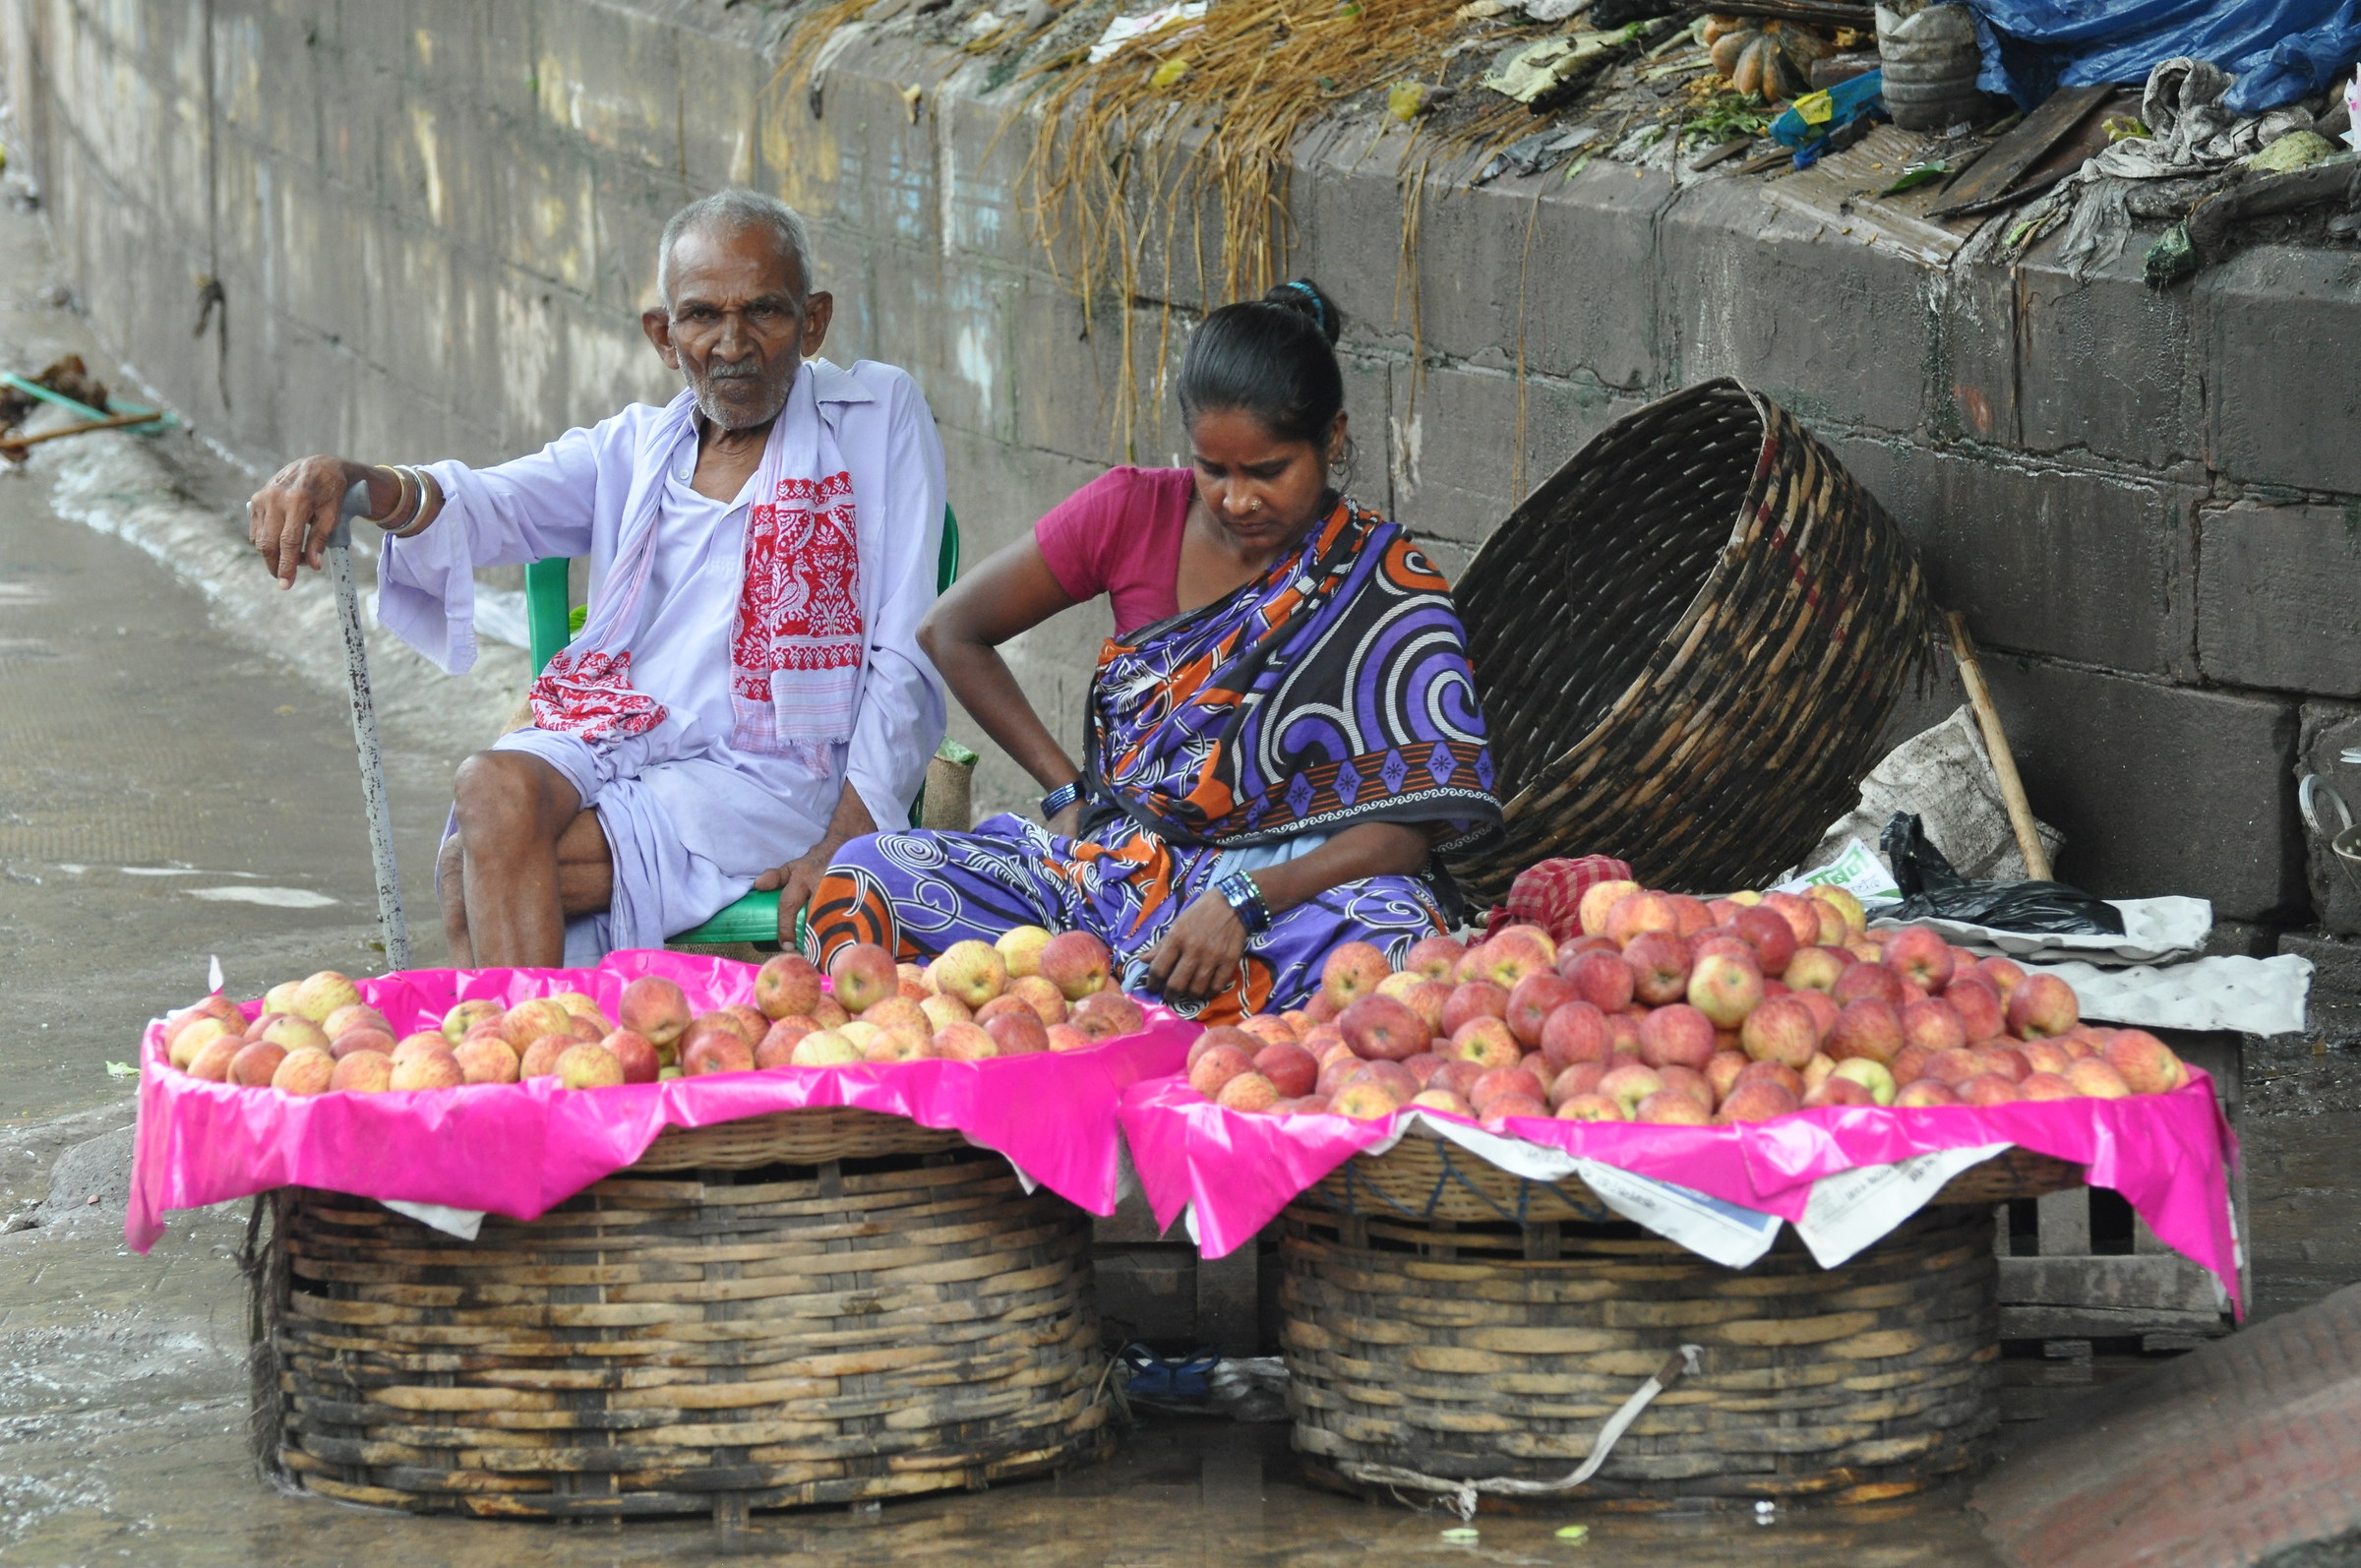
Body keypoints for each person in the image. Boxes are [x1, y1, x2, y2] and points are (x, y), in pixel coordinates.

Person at [244, 190, 947, 967]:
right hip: (624, 734)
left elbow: (908, 651)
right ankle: (544, 1053)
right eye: (702, 315)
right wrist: (353, 478)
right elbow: (488, 501)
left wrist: (846, 840)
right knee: (490, 791)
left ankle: (530, 1063)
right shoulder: (634, 449)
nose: (732, 342)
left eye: (765, 313)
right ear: (662, 334)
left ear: (813, 321)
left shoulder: (874, 416)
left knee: (475, 865)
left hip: (779, 776)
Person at [804, 279, 1500, 1021]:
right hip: (1113, 874)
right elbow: (951, 629)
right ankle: (1116, 1008)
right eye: (1213, 470)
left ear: (1332, 439)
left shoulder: (1385, 583)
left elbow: (1404, 834)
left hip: (1289, 895)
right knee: (867, 877)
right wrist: (1067, 791)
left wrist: (1244, 898)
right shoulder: (1131, 510)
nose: (1237, 500)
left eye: (1267, 471)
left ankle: (1103, 1016)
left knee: (1392, 938)